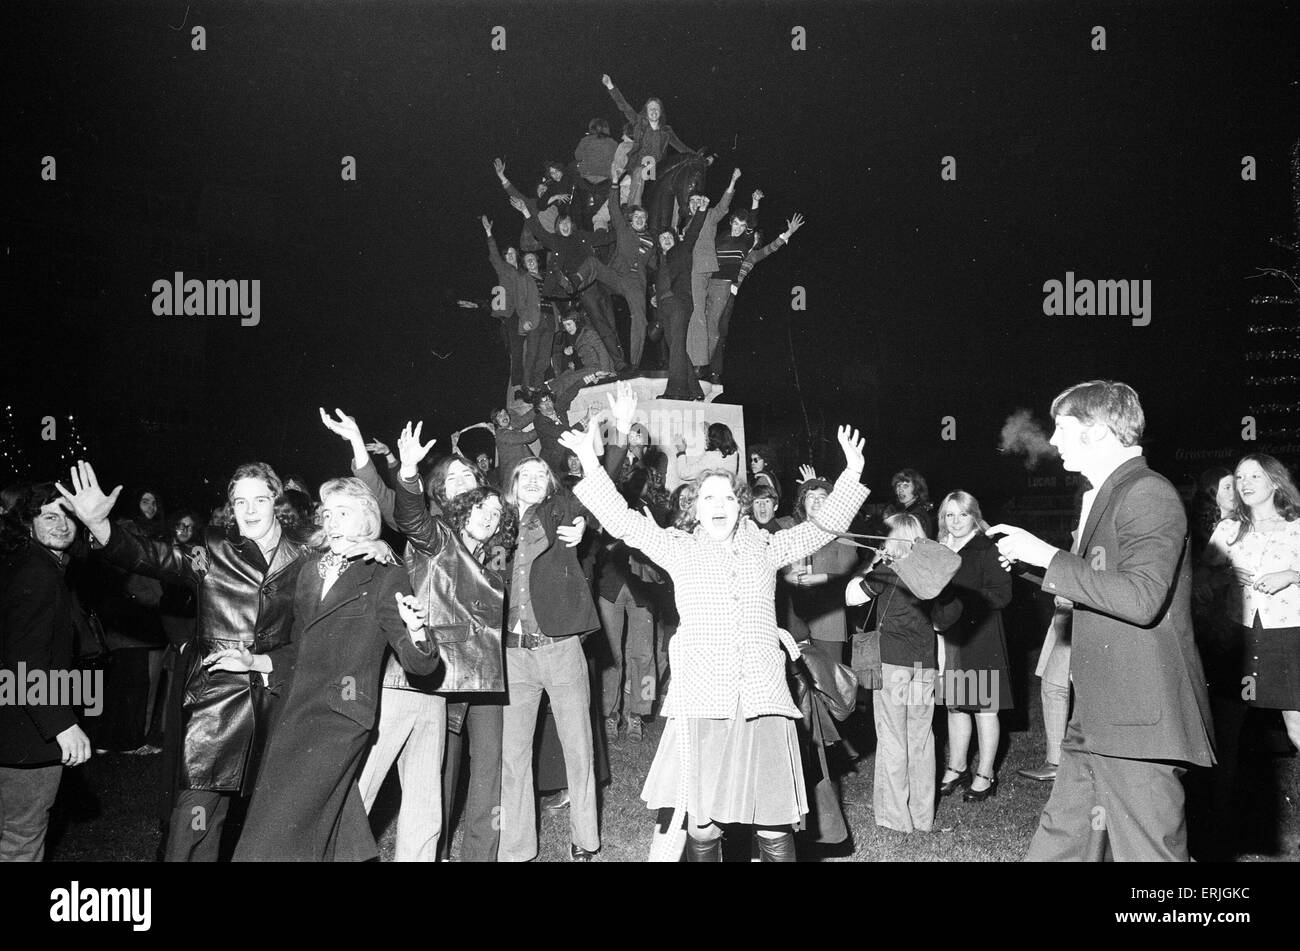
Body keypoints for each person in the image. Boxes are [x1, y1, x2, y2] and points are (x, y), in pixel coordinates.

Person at [565, 384, 869, 861]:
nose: (719, 503)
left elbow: (820, 527)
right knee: (703, 828)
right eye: (707, 497)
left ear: (740, 503)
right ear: (694, 507)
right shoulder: (679, 550)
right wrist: (590, 460)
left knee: (773, 827)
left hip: (764, 700)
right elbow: (623, 521)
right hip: (702, 701)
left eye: (728, 495)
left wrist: (851, 475)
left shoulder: (767, 547)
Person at [57, 460, 388, 861]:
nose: (249, 511)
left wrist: (378, 546)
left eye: (260, 500)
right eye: (240, 501)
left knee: (293, 815)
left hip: (281, 698)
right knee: (196, 818)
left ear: (276, 502)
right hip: (218, 702)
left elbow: (353, 546)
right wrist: (100, 526)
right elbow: (154, 557)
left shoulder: (308, 553)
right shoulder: (212, 551)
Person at [989, 380, 1215, 862]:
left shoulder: (1147, 493)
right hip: (1099, 717)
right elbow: (1097, 580)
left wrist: (1048, 556)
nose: (1052, 441)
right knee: (1061, 846)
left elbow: (1142, 598)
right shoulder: (1113, 494)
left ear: (1096, 431)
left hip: (1137, 721)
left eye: (1063, 428)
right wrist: (1033, 564)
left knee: (1148, 857)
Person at [233, 479, 441, 862]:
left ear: (366, 519)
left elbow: (419, 663)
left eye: (343, 512)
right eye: (327, 514)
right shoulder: (310, 571)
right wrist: (256, 662)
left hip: (339, 716)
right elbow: (299, 648)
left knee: (278, 827)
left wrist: (416, 630)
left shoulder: (384, 575)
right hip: (292, 711)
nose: (332, 521)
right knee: (336, 830)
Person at [1196, 453, 1300, 856]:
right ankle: (1219, 830)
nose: (1245, 482)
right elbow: (1203, 576)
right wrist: (1220, 575)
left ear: (1275, 481)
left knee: (1295, 724)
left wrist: (1292, 574)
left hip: (1287, 635)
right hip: (1237, 636)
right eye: (1240, 477)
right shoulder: (1229, 527)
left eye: (1255, 475)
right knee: (1227, 731)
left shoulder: (1296, 526)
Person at [499, 455, 601, 861]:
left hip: (559, 648)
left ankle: (585, 840)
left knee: (578, 749)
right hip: (512, 654)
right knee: (513, 755)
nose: (534, 479)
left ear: (549, 486)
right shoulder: (496, 522)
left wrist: (583, 524)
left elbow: (596, 493)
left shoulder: (558, 513)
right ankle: (517, 848)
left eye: (542, 475)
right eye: (527, 473)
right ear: (513, 480)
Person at [0, 484, 94, 861]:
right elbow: (24, 659)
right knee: (20, 841)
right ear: (28, 523)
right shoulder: (38, 574)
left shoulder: (25, 565)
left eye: (68, 515)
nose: (61, 524)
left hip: (13, 726)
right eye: (49, 515)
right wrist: (61, 724)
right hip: (26, 735)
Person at [846, 514, 940, 833]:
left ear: (890, 541)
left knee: (892, 738)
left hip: (893, 664)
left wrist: (870, 562)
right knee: (922, 739)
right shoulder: (930, 575)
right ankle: (923, 817)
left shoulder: (885, 572)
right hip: (925, 664)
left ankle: (895, 818)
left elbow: (851, 595)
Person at [931, 491, 1013, 802]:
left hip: (980, 636)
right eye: (949, 515)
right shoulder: (939, 548)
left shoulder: (986, 548)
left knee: (983, 709)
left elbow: (1002, 594)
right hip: (949, 637)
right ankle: (957, 766)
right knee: (955, 705)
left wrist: (964, 602)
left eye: (962, 515)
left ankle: (986, 773)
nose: (955, 521)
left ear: (973, 516)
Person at [707, 212, 805, 383]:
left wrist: (788, 233)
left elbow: (772, 247)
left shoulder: (752, 256)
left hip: (728, 295)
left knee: (720, 332)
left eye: (756, 239)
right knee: (705, 327)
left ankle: (714, 372)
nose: (752, 240)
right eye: (751, 236)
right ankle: (698, 364)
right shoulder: (727, 244)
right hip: (712, 290)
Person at [782, 478, 860, 660]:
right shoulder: (791, 533)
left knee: (830, 678)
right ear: (802, 502)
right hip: (794, 619)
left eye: (822, 497)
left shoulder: (843, 535)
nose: (816, 501)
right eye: (810, 496)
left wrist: (821, 578)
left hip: (828, 619)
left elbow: (851, 576)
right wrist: (788, 578)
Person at [593, 177, 658, 368]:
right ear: (630, 220)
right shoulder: (624, 229)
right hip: (616, 275)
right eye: (636, 217)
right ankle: (577, 281)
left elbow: (654, 268)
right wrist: (614, 183)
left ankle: (634, 364)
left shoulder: (651, 241)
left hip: (635, 282)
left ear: (645, 221)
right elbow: (613, 207)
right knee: (591, 263)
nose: (639, 219)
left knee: (641, 321)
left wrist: (654, 292)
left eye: (643, 218)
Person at [602, 75, 696, 206]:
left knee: (676, 184)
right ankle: (633, 209)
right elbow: (624, 106)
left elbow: (682, 148)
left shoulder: (667, 131)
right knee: (640, 172)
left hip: (658, 169)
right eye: (650, 108)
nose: (653, 110)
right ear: (645, 111)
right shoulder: (639, 123)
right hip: (638, 168)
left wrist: (699, 158)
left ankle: (673, 225)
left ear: (660, 112)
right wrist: (610, 86)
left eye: (656, 108)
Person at [688, 169, 741, 372]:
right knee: (697, 313)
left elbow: (723, 206)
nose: (694, 204)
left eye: (698, 200)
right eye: (691, 202)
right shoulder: (688, 224)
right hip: (693, 271)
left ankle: (698, 362)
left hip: (701, 269)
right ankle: (696, 360)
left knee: (699, 314)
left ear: (704, 202)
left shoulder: (708, 216)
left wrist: (732, 181)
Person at [653, 212, 708, 401]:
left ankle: (677, 391)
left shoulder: (681, 251)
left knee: (676, 346)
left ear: (675, 239)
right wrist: (656, 297)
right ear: (658, 243)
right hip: (664, 306)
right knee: (676, 348)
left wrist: (701, 211)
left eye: (669, 237)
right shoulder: (659, 260)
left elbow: (693, 232)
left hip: (679, 303)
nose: (666, 239)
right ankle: (695, 391)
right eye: (663, 238)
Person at [673, 421, 740, 485]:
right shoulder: (734, 454)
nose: (706, 439)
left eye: (707, 438)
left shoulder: (711, 457)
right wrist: (709, 431)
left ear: (712, 439)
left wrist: (681, 451)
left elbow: (684, 473)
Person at [884, 468, 935, 538]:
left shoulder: (917, 516)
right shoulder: (907, 511)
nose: (900, 490)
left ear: (916, 488)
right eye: (898, 485)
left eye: (905, 486)